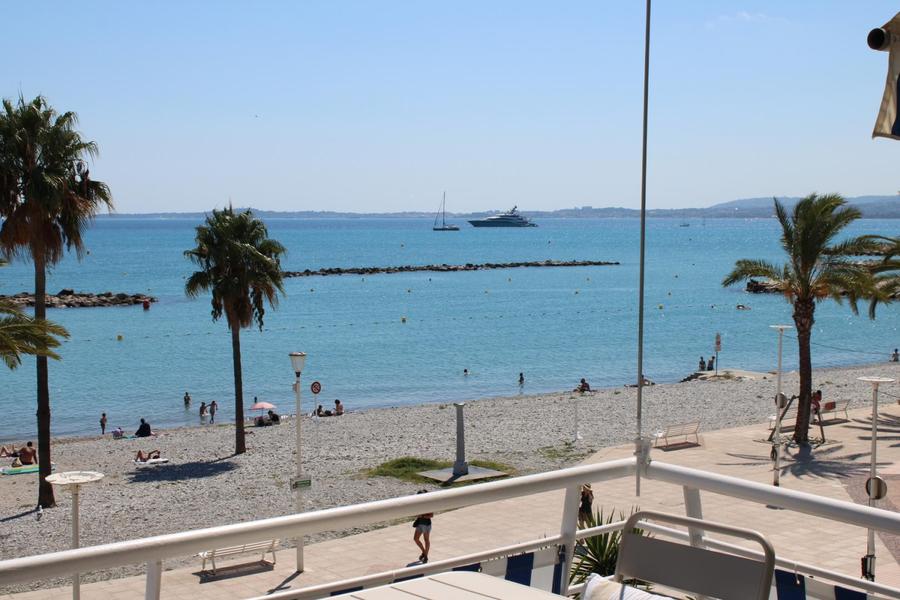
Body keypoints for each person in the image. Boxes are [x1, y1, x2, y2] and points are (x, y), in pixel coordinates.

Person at [412, 489, 433, 563]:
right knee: (416, 539)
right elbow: (415, 514)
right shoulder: (419, 504)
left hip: (426, 525)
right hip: (420, 524)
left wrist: (421, 516)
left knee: (426, 540)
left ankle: (426, 556)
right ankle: (424, 553)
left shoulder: (428, 504)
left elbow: (431, 515)